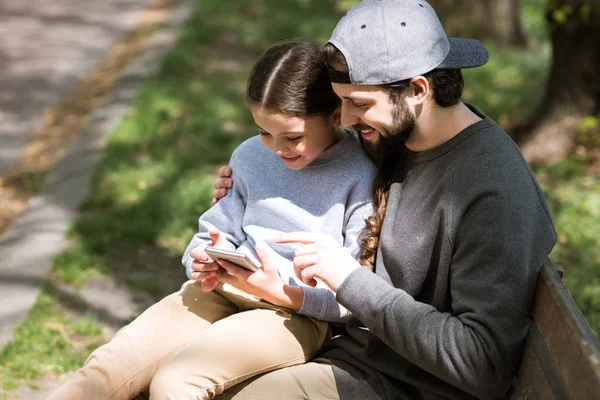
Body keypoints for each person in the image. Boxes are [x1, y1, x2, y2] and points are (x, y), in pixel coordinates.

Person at [209, 0, 557, 399]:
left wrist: (351, 281)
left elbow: (482, 363)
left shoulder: (493, 192)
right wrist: (245, 187)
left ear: (418, 89)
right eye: (342, 102)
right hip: (351, 351)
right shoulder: (397, 139)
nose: (345, 119)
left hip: (402, 384)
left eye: (359, 104)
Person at [46, 41, 376, 400]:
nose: (277, 148)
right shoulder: (251, 155)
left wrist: (279, 291)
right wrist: (202, 258)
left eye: (292, 137)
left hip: (294, 314)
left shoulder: (362, 174)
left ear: (333, 115)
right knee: (105, 370)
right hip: (221, 290)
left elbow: (352, 293)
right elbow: (212, 231)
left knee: (176, 384)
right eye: (264, 132)